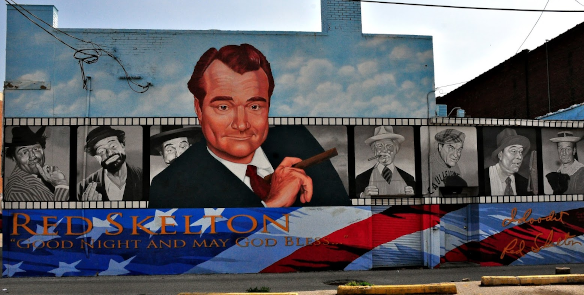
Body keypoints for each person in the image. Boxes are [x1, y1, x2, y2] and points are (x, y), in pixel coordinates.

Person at [149, 44, 348, 208]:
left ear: (268, 106)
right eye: (224, 106)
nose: (242, 124)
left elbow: (348, 226)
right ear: (199, 109)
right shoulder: (169, 187)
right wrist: (271, 207)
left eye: (254, 106)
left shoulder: (296, 139)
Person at [77, 126, 143, 201]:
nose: (110, 153)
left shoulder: (145, 178)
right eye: (101, 151)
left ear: (122, 146)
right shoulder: (81, 188)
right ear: (96, 157)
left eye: (113, 146)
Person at [4, 126, 69, 201]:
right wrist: (61, 183)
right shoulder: (17, 191)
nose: (32, 156)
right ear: (14, 158)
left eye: (35, 149)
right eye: (24, 152)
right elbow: (57, 212)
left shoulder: (44, 176)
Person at [355, 126, 415, 198]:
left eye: (389, 146)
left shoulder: (408, 178)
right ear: (374, 151)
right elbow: (350, 201)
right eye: (379, 146)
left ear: (396, 149)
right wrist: (362, 196)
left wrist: (413, 196)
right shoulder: (361, 178)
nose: (384, 150)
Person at [482, 128, 531, 196]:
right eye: (513, 151)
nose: (519, 157)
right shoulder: (482, 179)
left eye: (520, 151)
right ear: (500, 155)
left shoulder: (525, 183)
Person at [429, 128, 467, 196]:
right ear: (440, 147)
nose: (456, 155)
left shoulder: (454, 165)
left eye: (459, 150)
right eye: (451, 148)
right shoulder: (427, 165)